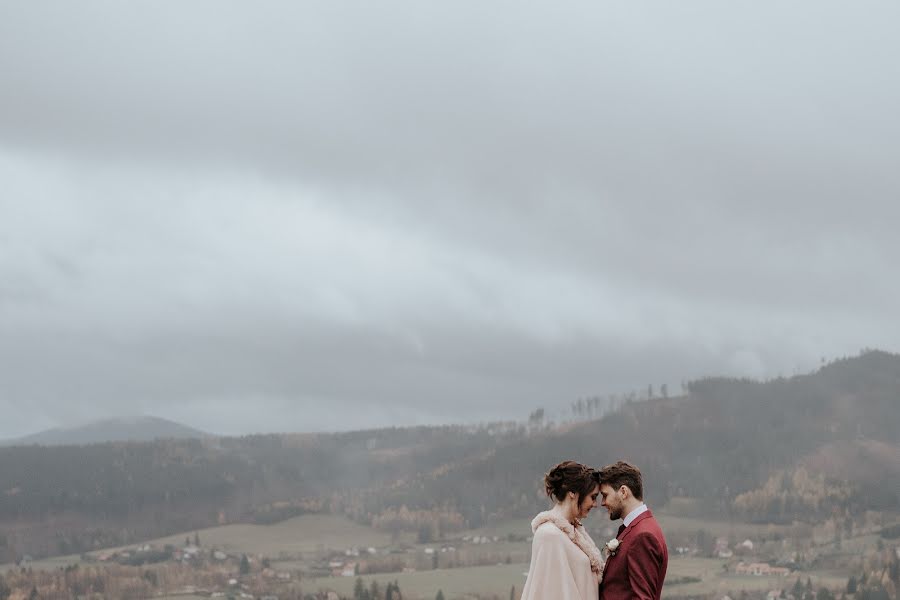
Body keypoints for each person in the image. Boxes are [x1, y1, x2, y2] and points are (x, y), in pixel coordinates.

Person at [521, 460, 604, 600]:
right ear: (573, 493)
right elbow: (551, 593)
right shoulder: (549, 535)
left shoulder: (576, 532)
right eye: (593, 497)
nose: (595, 504)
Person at [597, 461, 668, 600]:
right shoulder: (638, 528)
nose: (602, 502)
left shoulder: (643, 535)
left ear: (623, 492)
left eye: (605, 495)